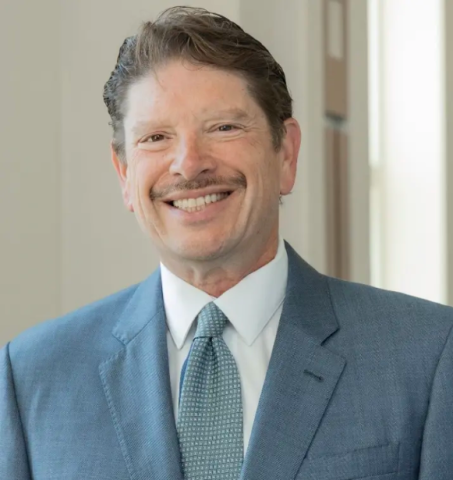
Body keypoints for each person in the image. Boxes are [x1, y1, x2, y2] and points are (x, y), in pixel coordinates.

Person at [1, 6, 453, 480]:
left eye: (224, 127)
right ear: (124, 173)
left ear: (286, 153)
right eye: (156, 137)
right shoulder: (32, 377)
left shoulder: (428, 356)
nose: (189, 164)